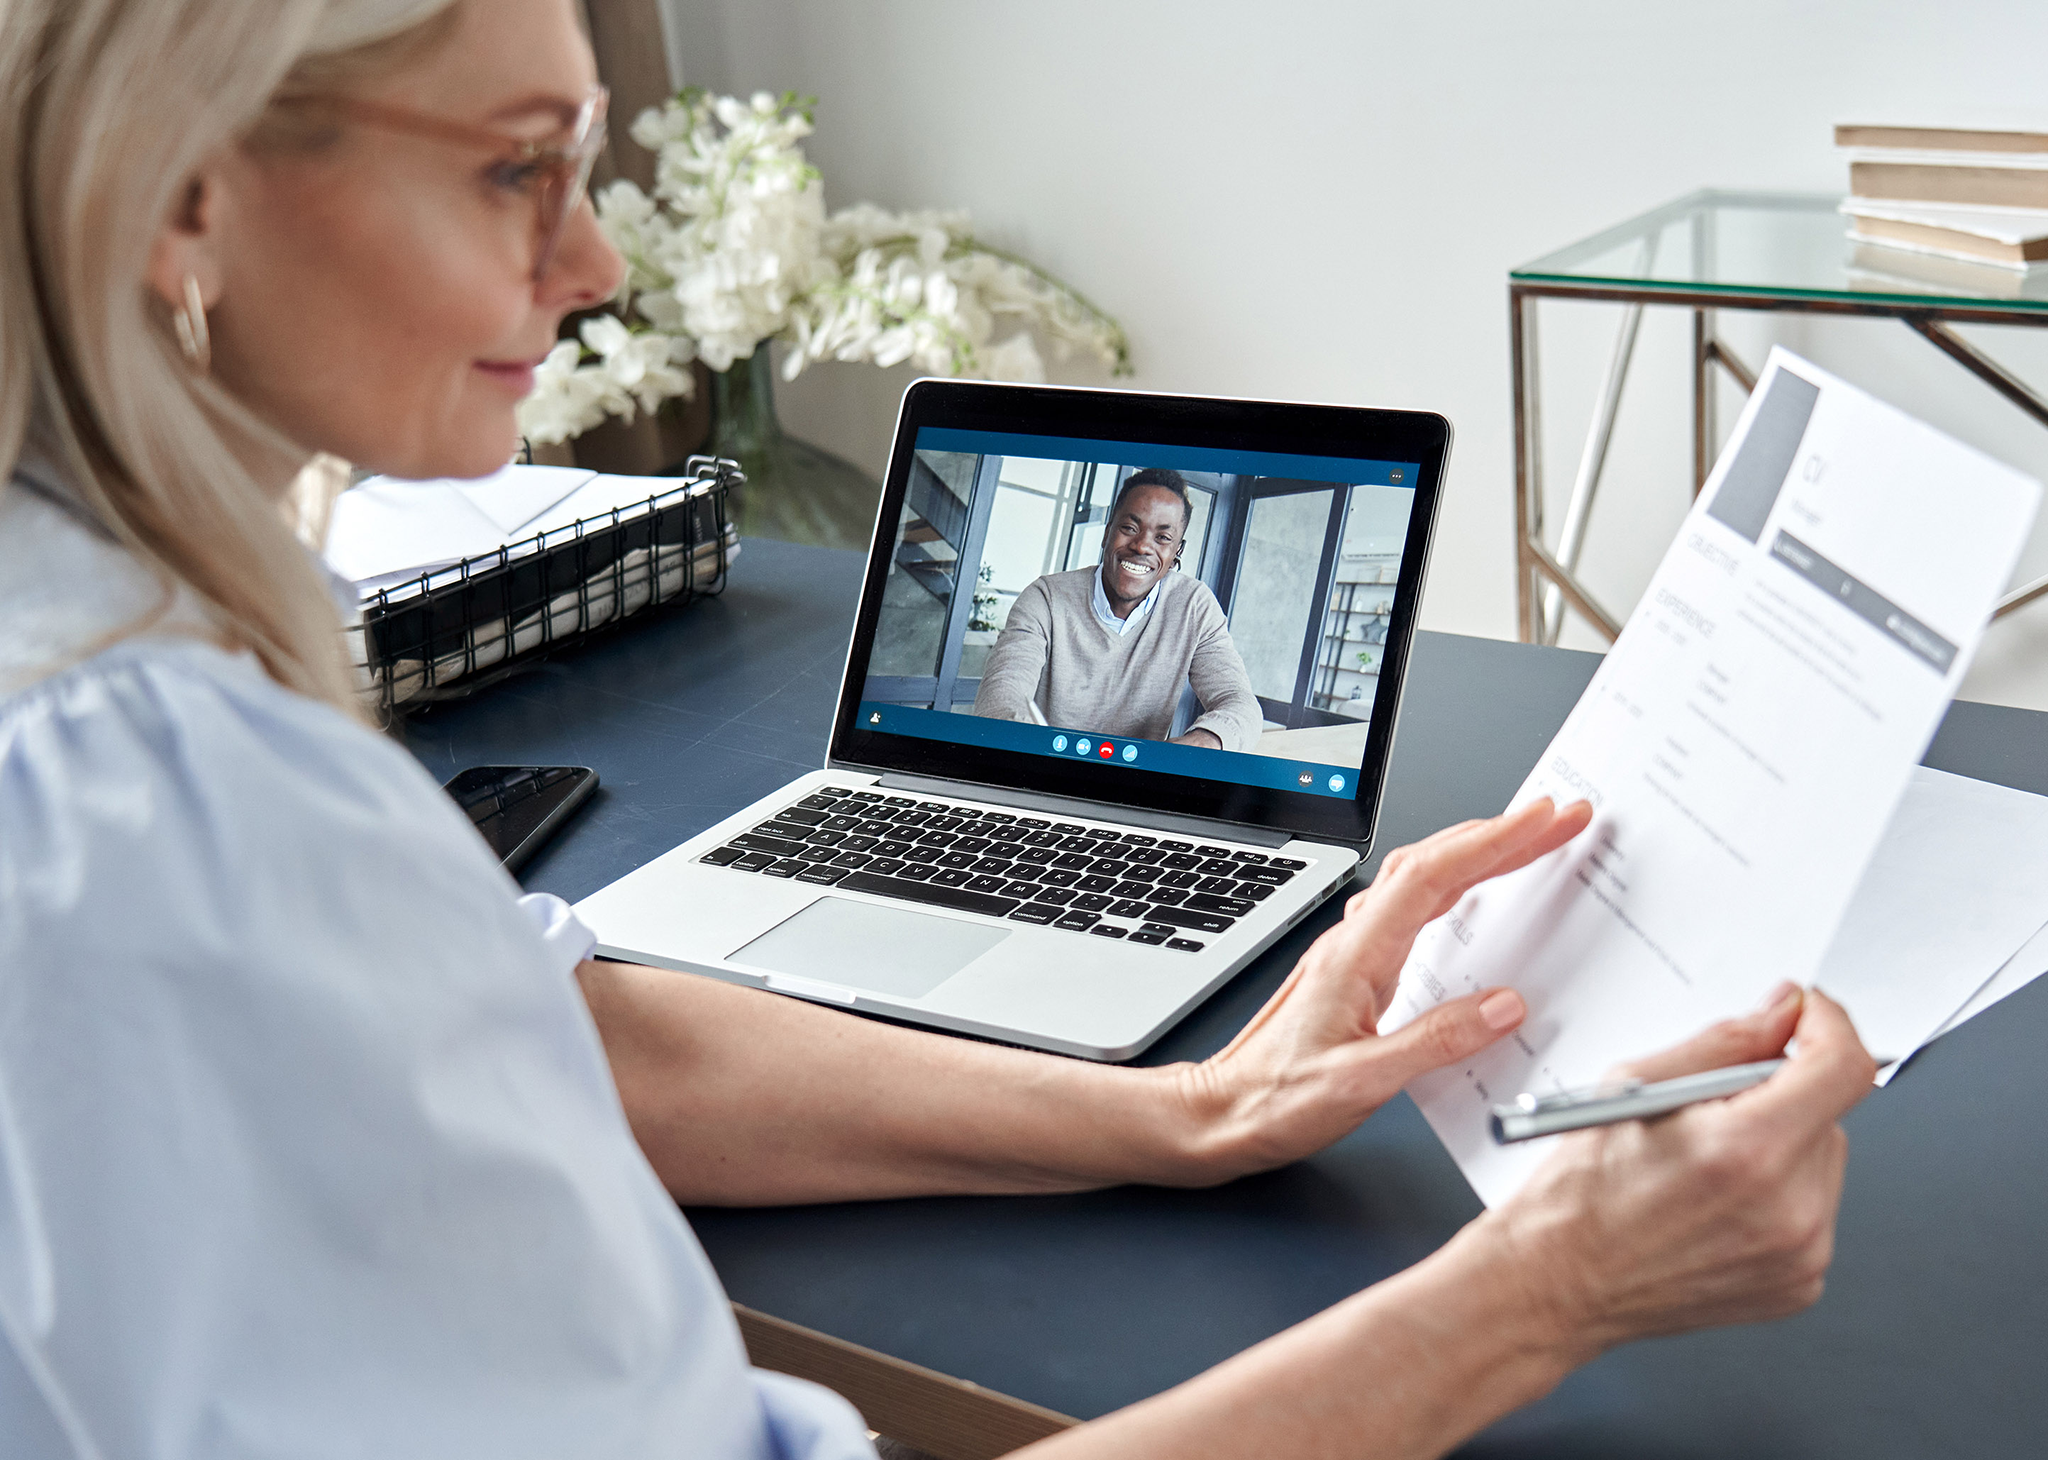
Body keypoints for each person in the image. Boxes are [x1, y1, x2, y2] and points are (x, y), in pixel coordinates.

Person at [0, 2, 1877, 1458]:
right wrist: (1545, 1293)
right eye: (517, 171)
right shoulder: (164, 811)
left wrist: (1184, 1110)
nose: (591, 269)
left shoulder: (100, 667)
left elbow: (572, 1021)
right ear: (184, 188)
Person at [972, 468, 1262, 750]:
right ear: (1107, 532)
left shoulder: (1195, 607)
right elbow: (1001, 694)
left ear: (1176, 553)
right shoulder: (1045, 598)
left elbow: (1240, 703)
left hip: (1135, 785)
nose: (1142, 546)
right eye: (1129, 528)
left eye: (1162, 538)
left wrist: (1203, 741)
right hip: (1043, 769)